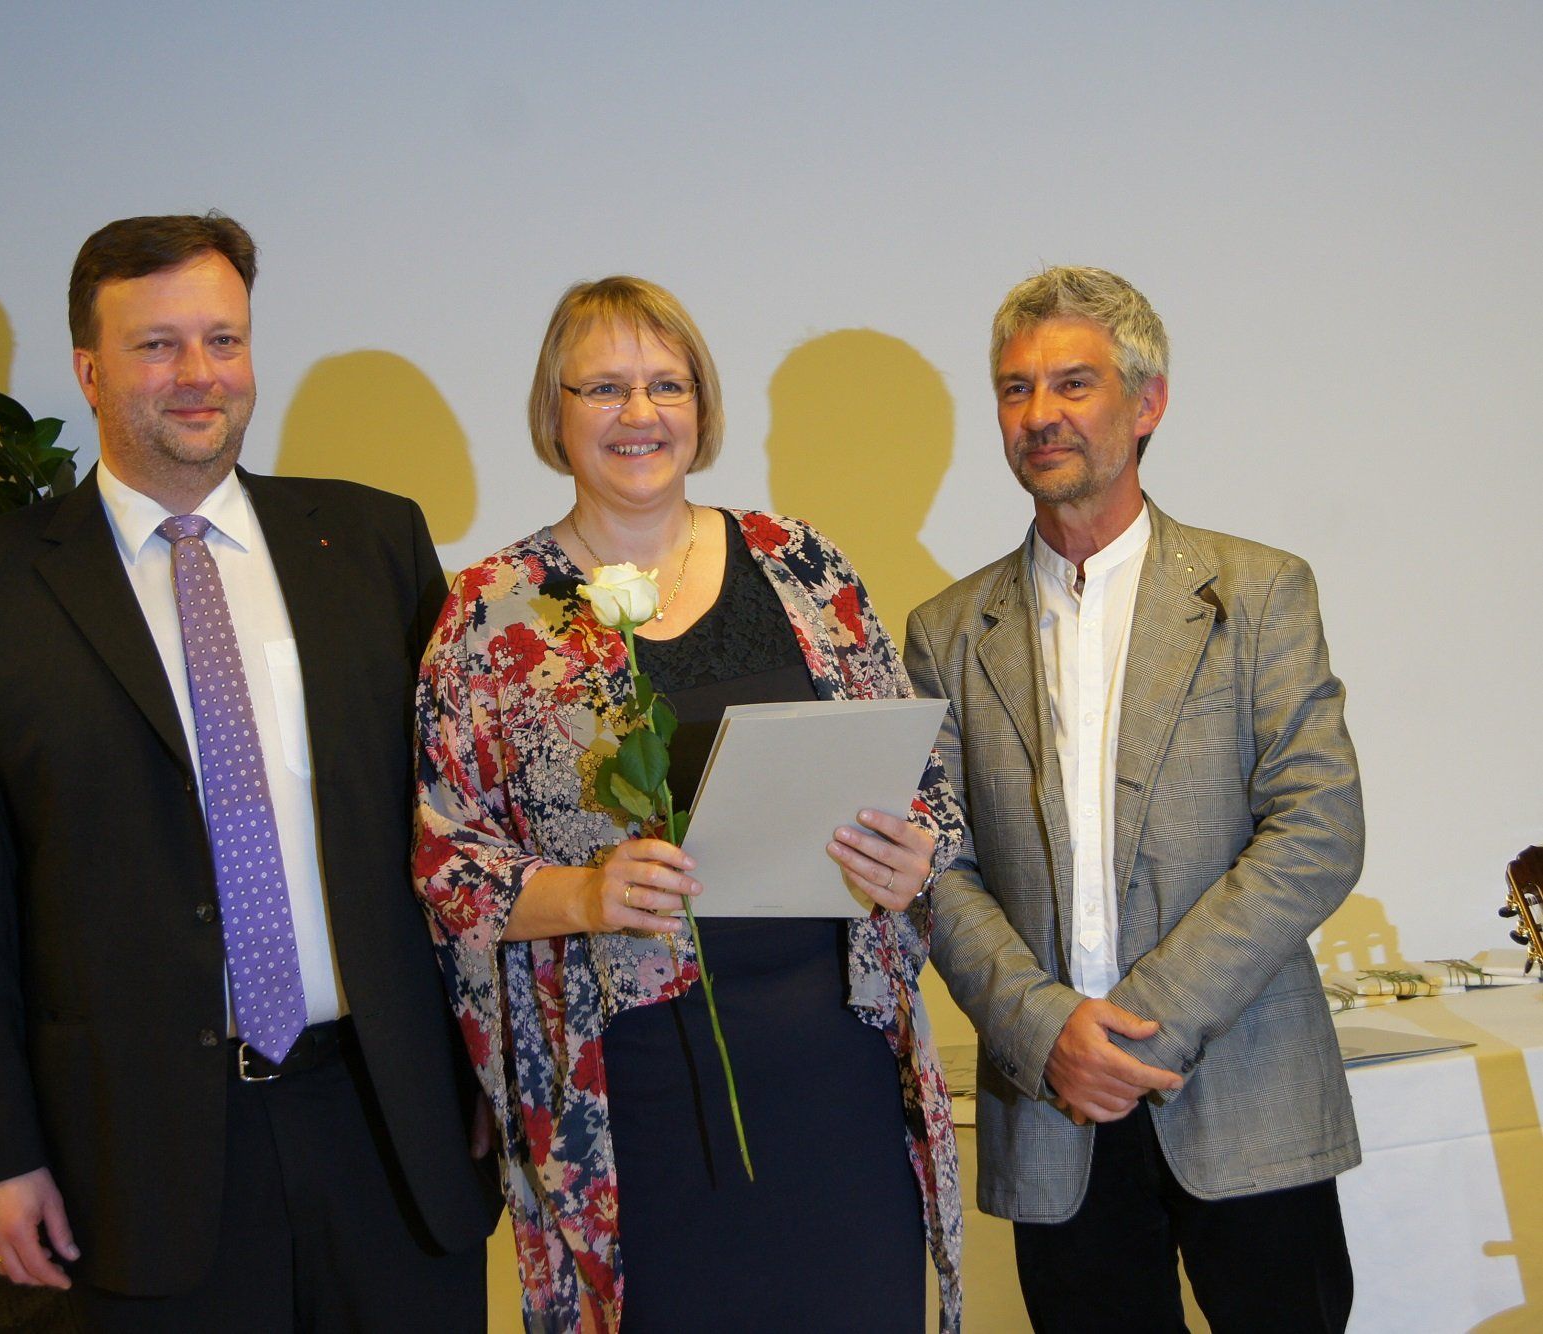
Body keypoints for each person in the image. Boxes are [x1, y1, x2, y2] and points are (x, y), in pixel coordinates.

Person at [0, 212, 496, 1331]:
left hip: (390, 1124)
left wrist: (489, 1065)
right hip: (139, 1151)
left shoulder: (374, 543)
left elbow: (457, 830)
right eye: (157, 345)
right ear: (89, 369)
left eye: (224, 340)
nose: (199, 374)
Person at [413, 275, 965, 1332]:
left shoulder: (801, 562)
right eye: (604, 387)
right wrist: (583, 893)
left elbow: (923, 781)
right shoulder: (492, 612)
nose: (640, 413)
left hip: (836, 1075)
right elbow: (448, 867)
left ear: (702, 407)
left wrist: (916, 850)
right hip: (635, 1101)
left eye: (667, 385)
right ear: (553, 411)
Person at [905, 266, 1363, 1333]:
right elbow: (933, 863)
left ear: (1146, 402)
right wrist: (1048, 1030)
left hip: (1248, 1093)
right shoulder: (944, 632)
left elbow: (1318, 829)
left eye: (1074, 383)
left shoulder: (1259, 592)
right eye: (1015, 388)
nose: (1040, 413)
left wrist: (1148, 1029)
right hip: (1054, 1109)